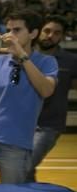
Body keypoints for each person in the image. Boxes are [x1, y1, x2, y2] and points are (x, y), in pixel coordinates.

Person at [0, 10, 58, 184]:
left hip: (18, 146)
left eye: (16, 30)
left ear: (33, 33)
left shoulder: (47, 62)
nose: (10, 35)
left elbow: (46, 91)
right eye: (8, 30)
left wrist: (22, 56)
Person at [27, 16, 77, 181]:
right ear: (38, 32)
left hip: (49, 125)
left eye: (56, 33)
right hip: (22, 123)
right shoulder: (26, 56)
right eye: (47, 31)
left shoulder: (71, 60)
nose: (50, 36)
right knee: (24, 168)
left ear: (61, 37)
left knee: (25, 165)